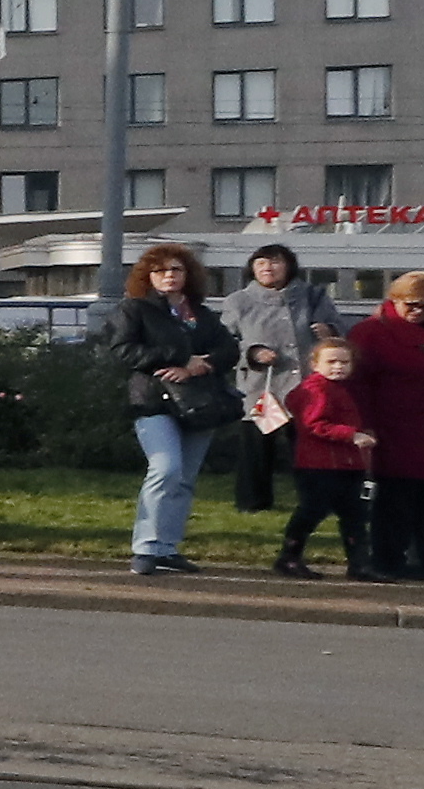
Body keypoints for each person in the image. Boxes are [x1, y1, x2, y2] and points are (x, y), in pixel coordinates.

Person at [106, 239, 242, 577]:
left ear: (188, 274)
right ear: (147, 276)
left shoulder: (202, 314)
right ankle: (145, 547)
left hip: (200, 404)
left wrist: (200, 365)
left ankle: (167, 548)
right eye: (160, 270)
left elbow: (229, 350)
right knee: (165, 469)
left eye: (176, 269)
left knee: (184, 479)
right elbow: (124, 352)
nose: (169, 275)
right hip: (154, 401)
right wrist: (178, 357)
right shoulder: (134, 309)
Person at [222, 240, 335, 522]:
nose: (267, 268)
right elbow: (223, 343)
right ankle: (253, 503)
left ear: (289, 266)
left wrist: (328, 331)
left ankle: (316, 501)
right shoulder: (239, 301)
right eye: (260, 263)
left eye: (274, 261)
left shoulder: (313, 295)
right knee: (257, 447)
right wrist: (253, 354)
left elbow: (339, 330)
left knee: (311, 446)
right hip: (263, 387)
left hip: (308, 387)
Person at [280, 330, 375, 579]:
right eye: (331, 362)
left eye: (344, 362)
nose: (338, 367)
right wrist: (351, 435)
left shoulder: (341, 389)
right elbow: (314, 423)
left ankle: (359, 563)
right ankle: (289, 556)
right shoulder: (315, 390)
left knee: (354, 514)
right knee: (312, 511)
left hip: (346, 464)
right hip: (319, 464)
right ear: (315, 364)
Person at [357, 272, 424, 582]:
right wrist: (364, 426)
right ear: (394, 301)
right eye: (412, 305)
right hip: (390, 427)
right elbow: (357, 383)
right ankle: (387, 559)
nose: (419, 312)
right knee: (393, 499)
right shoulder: (371, 333)